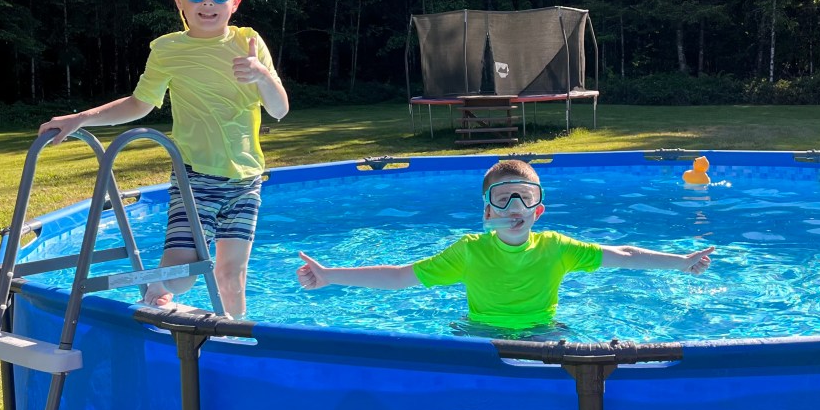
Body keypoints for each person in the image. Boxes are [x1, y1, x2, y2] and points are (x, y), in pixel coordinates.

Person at [39, 0, 289, 317]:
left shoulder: (248, 43)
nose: (207, 2)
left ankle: (235, 337)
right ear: (179, 0)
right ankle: (153, 289)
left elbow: (279, 109)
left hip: (246, 179)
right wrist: (81, 118)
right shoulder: (168, 50)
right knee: (183, 276)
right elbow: (139, 104)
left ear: (234, 2)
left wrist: (262, 75)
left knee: (231, 274)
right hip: (195, 177)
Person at [297, 158, 714, 332]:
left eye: (525, 199)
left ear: (539, 211)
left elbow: (623, 255)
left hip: (542, 333)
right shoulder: (469, 250)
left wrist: (681, 262)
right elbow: (400, 276)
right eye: (503, 198)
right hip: (480, 333)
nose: (514, 207)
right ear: (487, 211)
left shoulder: (557, 247)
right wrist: (330, 275)